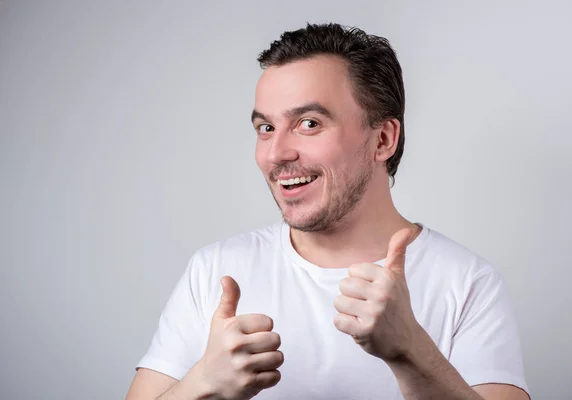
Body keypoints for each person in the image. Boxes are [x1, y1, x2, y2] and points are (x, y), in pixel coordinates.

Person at [126, 23, 530, 400]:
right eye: (266, 128)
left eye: (308, 123)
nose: (276, 153)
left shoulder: (468, 282)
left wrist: (410, 350)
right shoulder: (215, 270)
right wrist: (203, 385)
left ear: (383, 139)